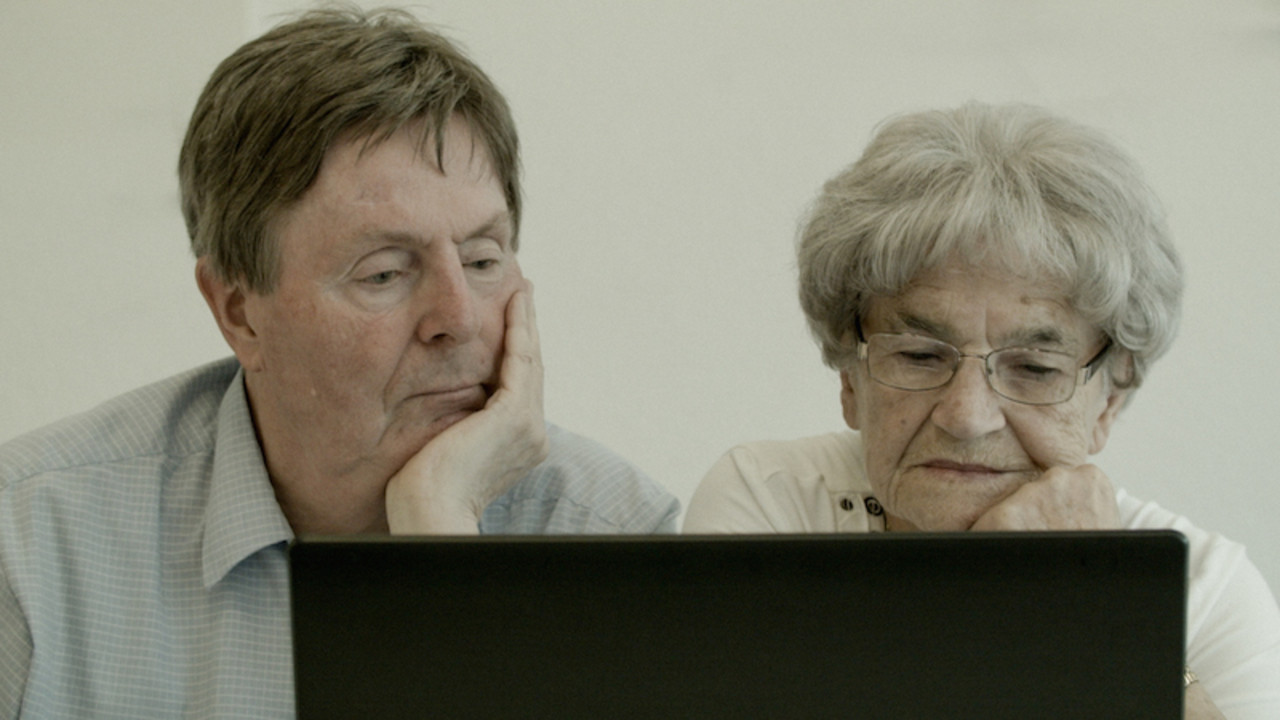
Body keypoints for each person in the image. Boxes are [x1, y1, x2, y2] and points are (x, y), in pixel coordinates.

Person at [0, 8, 678, 717]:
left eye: (483, 260)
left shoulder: (615, 540)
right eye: (384, 273)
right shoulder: (32, 548)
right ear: (239, 311)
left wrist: (442, 536)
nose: (459, 319)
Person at [683, 102, 1280, 719]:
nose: (967, 416)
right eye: (919, 356)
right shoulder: (774, 509)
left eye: (1034, 368)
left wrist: (1102, 615)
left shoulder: (1207, 592)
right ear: (849, 379)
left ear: (1109, 401)